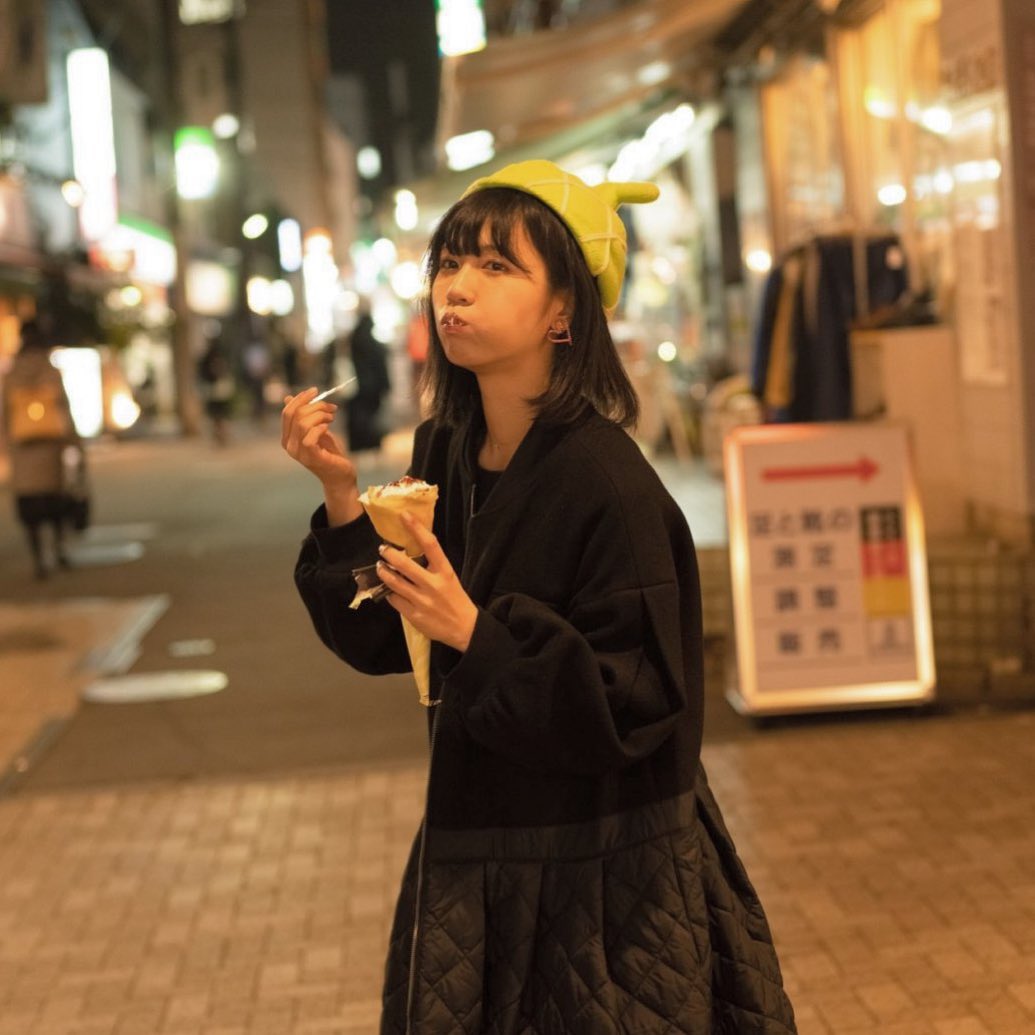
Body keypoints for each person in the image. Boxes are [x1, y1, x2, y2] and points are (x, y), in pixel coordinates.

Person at [281, 160, 796, 1033]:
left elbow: (637, 702)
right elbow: (382, 640)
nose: (457, 288)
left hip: (606, 882)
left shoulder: (609, 484)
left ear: (563, 310)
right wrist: (340, 498)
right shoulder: (445, 450)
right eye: (449, 263)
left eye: (495, 266)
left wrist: (476, 633)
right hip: (476, 853)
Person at [3, 319, 83, 579]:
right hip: (51, 448)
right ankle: (59, 550)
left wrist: (6, 446)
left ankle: (38, 559)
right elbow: (65, 410)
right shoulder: (51, 372)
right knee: (55, 502)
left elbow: (4, 417)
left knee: (30, 510)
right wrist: (75, 444)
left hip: (23, 452)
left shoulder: (12, 375)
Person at [342, 302, 391, 455]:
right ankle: (372, 446)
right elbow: (380, 367)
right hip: (372, 388)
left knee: (359, 420)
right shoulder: (373, 344)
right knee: (371, 419)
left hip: (356, 388)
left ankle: (359, 448)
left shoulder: (353, 342)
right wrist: (386, 385)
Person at [197, 334, 235, 445]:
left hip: (216, 389)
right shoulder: (219, 355)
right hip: (218, 389)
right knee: (221, 413)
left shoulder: (210, 357)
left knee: (218, 413)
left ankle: (220, 433)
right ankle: (220, 433)